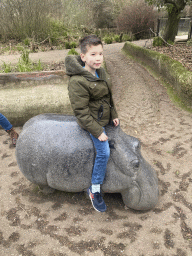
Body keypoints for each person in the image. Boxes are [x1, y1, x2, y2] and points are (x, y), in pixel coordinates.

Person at [65, 35, 119, 212]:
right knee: (103, 151)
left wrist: (114, 115)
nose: (98, 58)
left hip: (104, 116)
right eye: (93, 54)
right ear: (83, 57)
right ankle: (94, 189)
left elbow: (108, 97)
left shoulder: (101, 72)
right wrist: (97, 131)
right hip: (92, 122)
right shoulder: (77, 81)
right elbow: (81, 113)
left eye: (101, 54)